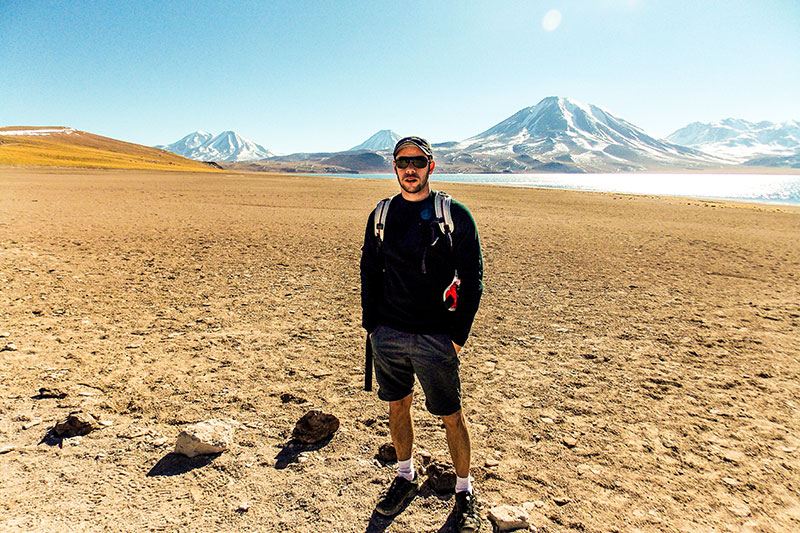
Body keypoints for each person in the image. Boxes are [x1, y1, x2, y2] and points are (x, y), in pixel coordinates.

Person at [360, 136, 484, 532]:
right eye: (402, 162)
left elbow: (474, 278)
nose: (409, 169)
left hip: (436, 337)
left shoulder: (453, 214)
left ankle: (464, 491)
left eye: (417, 161)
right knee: (397, 407)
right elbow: (368, 270)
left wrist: (457, 336)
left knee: (451, 414)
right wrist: (372, 325)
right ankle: (404, 476)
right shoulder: (381, 215)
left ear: (431, 166)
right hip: (389, 335)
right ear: (393, 167)